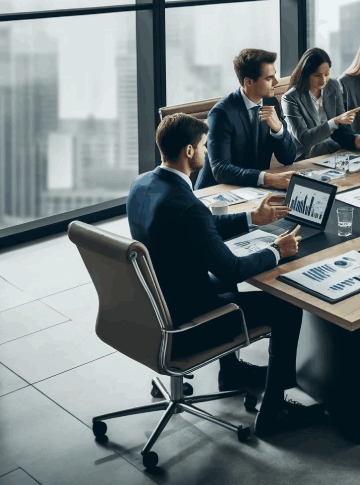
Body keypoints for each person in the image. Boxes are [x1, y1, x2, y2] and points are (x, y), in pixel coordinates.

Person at [128, 113, 325, 436]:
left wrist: (251, 218)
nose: (206, 152)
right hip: (189, 317)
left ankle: (231, 371)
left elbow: (198, 227)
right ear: (189, 151)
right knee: (287, 306)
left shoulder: (143, 184)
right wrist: (278, 251)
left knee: (230, 279)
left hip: (159, 297)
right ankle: (273, 412)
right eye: (203, 146)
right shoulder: (186, 204)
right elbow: (229, 266)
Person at [194, 48, 298, 190]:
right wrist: (267, 179)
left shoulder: (271, 102)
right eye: (269, 78)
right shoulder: (221, 114)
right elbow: (220, 170)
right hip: (218, 193)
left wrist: (279, 130)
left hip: (255, 190)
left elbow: (288, 158)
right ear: (248, 82)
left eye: (275, 75)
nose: (275, 82)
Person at [282, 47, 360, 160]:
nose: (323, 80)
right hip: (306, 154)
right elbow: (304, 139)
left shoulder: (333, 85)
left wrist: (354, 140)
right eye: (317, 75)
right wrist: (335, 121)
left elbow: (343, 127)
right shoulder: (290, 98)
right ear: (306, 74)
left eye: (327, 74)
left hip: (332, 148)